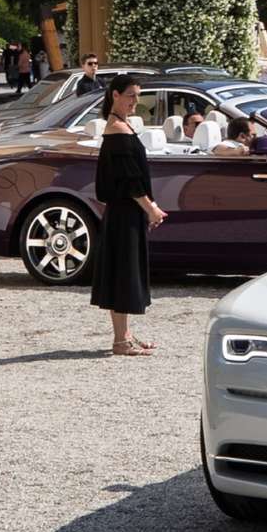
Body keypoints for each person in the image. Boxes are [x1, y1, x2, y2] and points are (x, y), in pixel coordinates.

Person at [94, 74, 165, 355]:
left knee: (124, 272)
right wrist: (151, 208)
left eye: (138, 95)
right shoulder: (117, 131)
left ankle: (124, 335)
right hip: (125, 213)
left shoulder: (120, 127)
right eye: (131, 95)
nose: (136, 100)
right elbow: (130, 181)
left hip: (125, 213)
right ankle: (120, 341)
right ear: (115, 95)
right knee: (123, 273)